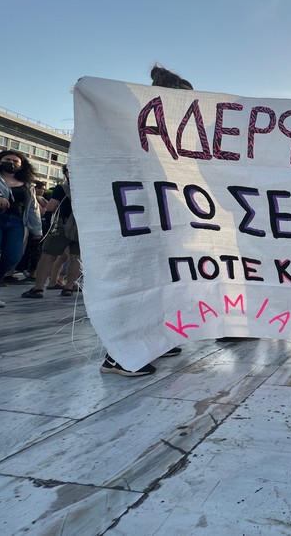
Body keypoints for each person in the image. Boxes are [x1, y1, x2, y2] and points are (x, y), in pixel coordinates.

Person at [99, 64, 191, 376]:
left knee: (160, 279)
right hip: (138, 213)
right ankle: (118, 354)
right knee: (138, 281)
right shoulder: (139, 121)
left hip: (161, 215)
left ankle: (153, 337)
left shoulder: (176, 130)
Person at [0, 151, 44, 307]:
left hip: (17, 223)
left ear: (22, 165)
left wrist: (37, 231)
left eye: (16, 161)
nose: (11, 163)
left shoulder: (27, 184)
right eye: (7, 159)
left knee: (13, 257)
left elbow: (32, 208)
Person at [22, 165, 81, 298]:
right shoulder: (87, 190)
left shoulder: (62, 188)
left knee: (48, 255)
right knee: (76, 258)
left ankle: (38, 288)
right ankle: (69, 287)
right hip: (80, 227)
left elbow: (51, 207)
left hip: (61, 226)